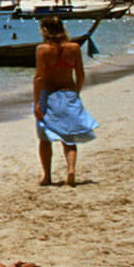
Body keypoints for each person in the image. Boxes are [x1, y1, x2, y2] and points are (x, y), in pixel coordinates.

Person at [33, 16, 96, 186]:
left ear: (44, 30)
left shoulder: (42, 50)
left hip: (48, 95)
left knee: (44, 139)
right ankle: (71, 169)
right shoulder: (74, 48)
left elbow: (39, 77)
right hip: (68, 93)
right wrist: (76, 93)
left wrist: (37, 102)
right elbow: (80, 74)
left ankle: (47, 176)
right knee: (69, 138)